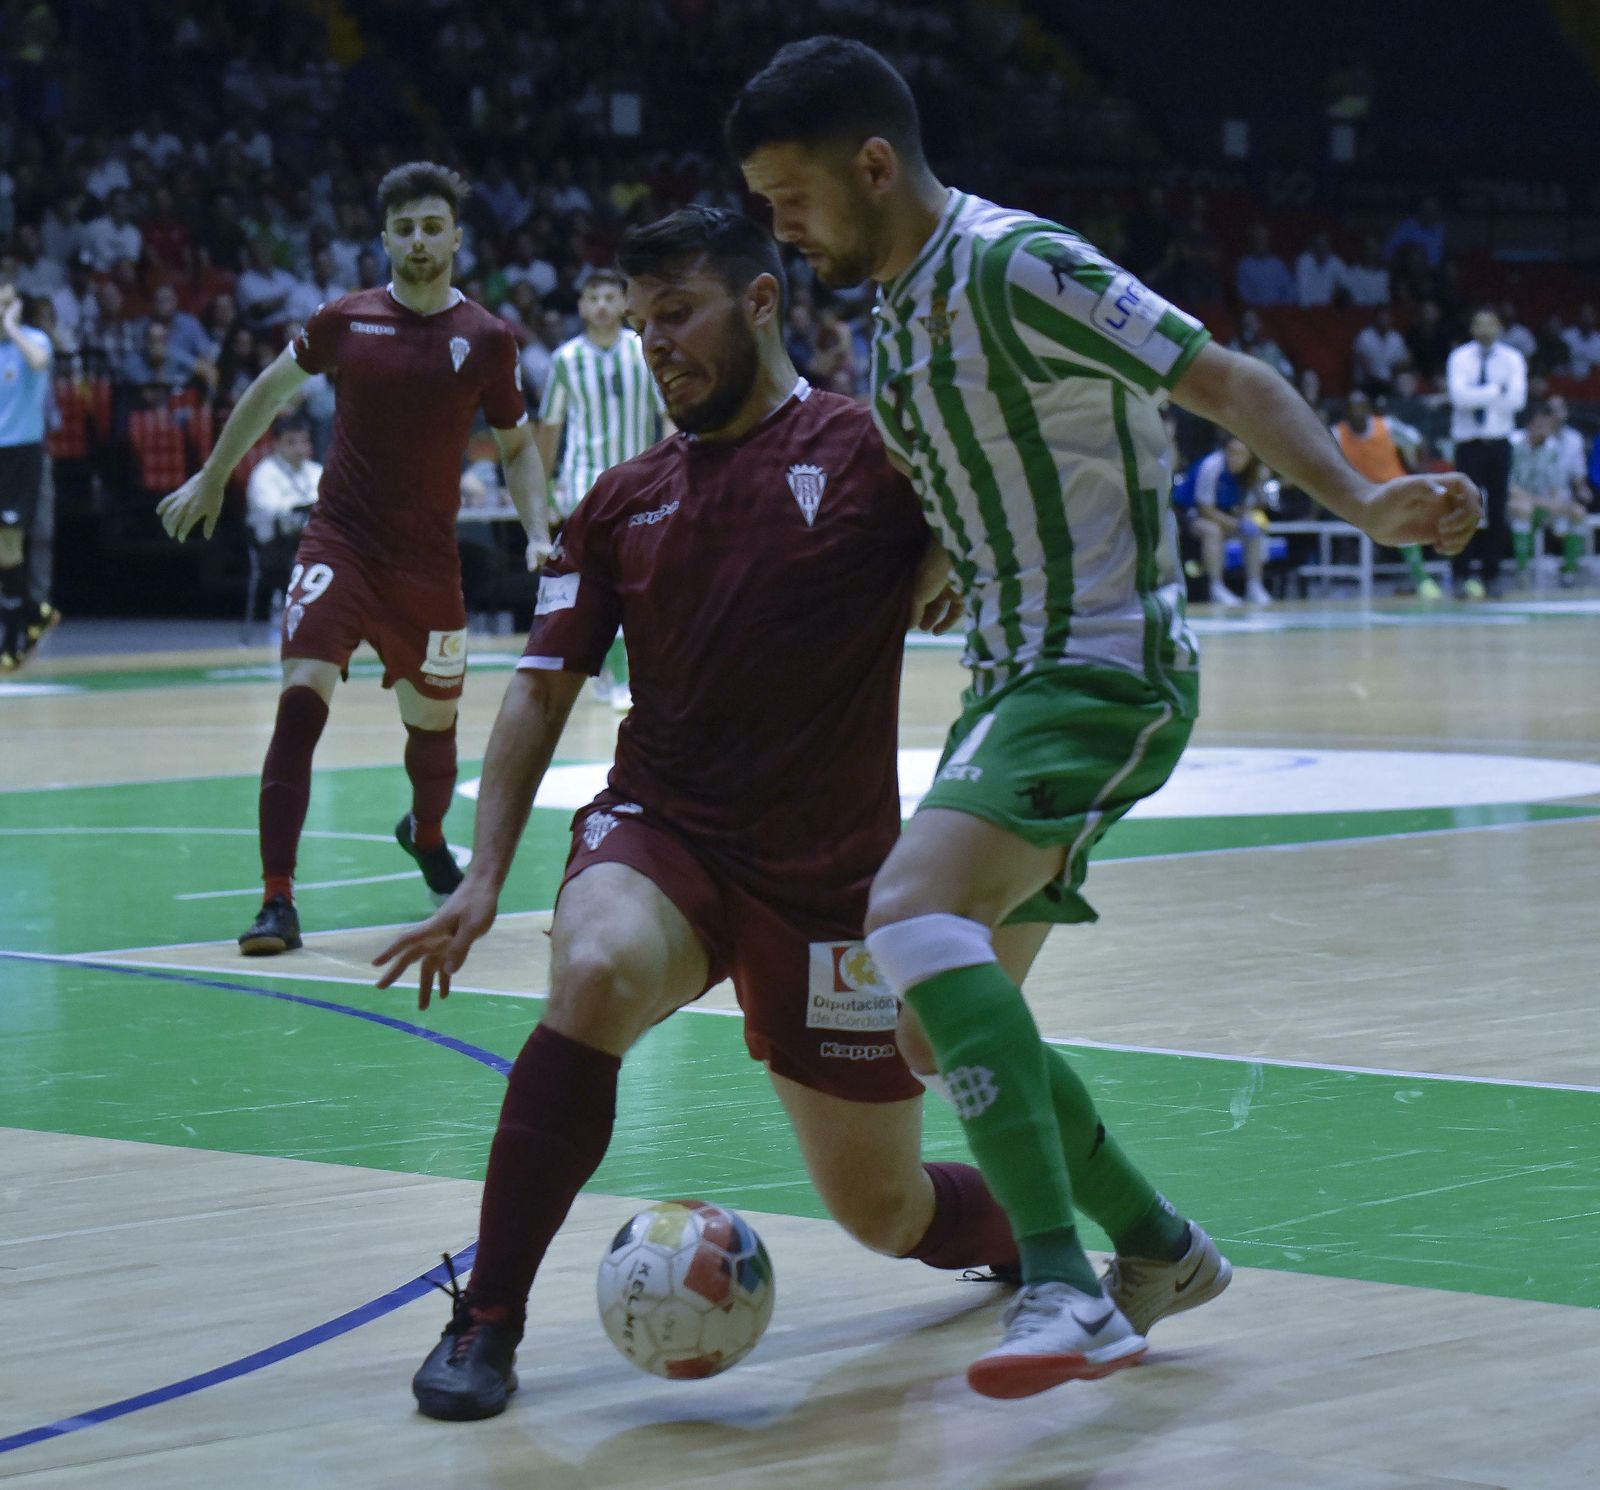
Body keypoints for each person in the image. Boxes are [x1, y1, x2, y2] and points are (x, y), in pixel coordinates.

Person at [730, 35, 1480, 1399]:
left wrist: (1363, 503)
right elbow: (970, 475)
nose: (776, 224)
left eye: (789, 194)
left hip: (1105, 668)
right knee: (927, 1025)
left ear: (874, 165)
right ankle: (1159, 1245)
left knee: (906, 915)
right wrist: (948, 562)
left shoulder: (1020, 263)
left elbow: (1228, 380)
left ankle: (1066, 1285)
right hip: (1008, 685)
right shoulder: (894, 318)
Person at [373, 207, 1013, 1422]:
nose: (653, 342)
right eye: (639, 316)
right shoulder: (619, 500)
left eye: (678, 315)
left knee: (885, 1213)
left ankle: (1028, 1237)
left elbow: (998, 528)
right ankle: (490, 1311)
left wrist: (950, 567)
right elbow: (542, 686)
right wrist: (483, 873)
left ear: (762, 303)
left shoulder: (874, 451)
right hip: (662, 832)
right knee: (602, 963)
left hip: (831, 882)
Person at [158, 161, 550, 954]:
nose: (418, 239)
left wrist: (539, 529)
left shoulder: (486, 338)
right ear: (384, 238)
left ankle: (427, 830)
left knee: (433, 731)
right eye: (403, 227)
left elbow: (516, 448)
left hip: (427, 565)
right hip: (338, 542)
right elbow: (270, 391)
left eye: (431, 225)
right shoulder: (346, 319)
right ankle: (277, 900)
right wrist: (210, 476)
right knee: (301, 701)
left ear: (455, 237)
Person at [535, 267, 670, 709]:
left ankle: (621, 672)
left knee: (638, 584)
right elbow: (550, 428)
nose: (602, 306)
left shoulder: (643, 350)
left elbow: (668, 416)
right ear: (581, 306)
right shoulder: (565, 359)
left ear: (625, 304)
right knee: (600, 584)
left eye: (611, 297)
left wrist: (677, 470)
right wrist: (544, 489)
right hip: (581, 486)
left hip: (640, 486)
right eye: (593, 298)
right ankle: (613, 675)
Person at [1445, 306, 1527, 599]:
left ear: (1499, 328)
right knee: (1465, 507)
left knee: (1497, 510)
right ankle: (1460, 574)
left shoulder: (1512, 359)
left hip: (1499, 442)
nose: (1485, 330)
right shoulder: (1459, 357)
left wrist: (1479, 394)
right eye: (1479, 325)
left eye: (1490, 324)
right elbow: (1458, 397)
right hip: (1468, 444)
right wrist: (1495, 391)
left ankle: (1492, 575)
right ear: (1472, 329)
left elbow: (1517, 400)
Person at [0, 285, 56, 670]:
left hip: (22, 453)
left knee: (11, 543)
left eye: (5, 303)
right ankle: (34, 614)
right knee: (5, 549)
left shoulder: (34, 340)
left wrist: (11, 326)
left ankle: (16, 633)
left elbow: (37, 362)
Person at [1331, 390, 1435, 597]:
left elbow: (1418, 441)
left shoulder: (1387, 426)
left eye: (1361, 407)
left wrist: (1418, 468)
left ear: (1369, 409)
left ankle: (1423, 579)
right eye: (1352, 407)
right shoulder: (1336, 434)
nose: (1357, 412)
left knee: (1405, 521)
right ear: (1346, 412)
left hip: (1395, 489)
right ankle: (1343, 582)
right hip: (1362, 495)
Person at [1173, 436, 1276, 606]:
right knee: (1212, 531)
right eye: (1232, 453)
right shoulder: (1211, 466)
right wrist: (1236, 524)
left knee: (1254, 529)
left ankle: (1254, 585)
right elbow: (1205, 509)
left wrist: (1261, 480)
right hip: (1189, 512)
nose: (1235, 458)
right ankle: (1216, 587)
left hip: (1223, 513)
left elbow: (1251, 507)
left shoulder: (1252, 472)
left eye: (1241, 454)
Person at [244, 416, 323, 621]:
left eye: (304, 442)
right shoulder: (263, 474)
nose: (299, 449)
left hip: (316, 544)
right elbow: (272, 511)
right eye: (291, 442)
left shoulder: (317, 472)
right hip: (275, 549)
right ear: (276, 444)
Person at [1507, 403, 1587, 588]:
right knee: (1523, 508)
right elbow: (1508, 486)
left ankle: (1569, 573)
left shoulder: (1552, 448)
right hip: (1515, 502)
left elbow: (1556, 485)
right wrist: (1537, 501)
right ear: (1530, 425)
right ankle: (1523, 572)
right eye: (1541, 426)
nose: (1546, 430)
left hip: (1543, 502)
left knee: (1577, 512)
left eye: (1548, 426)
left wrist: (1557, 502)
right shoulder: (1513, 444)